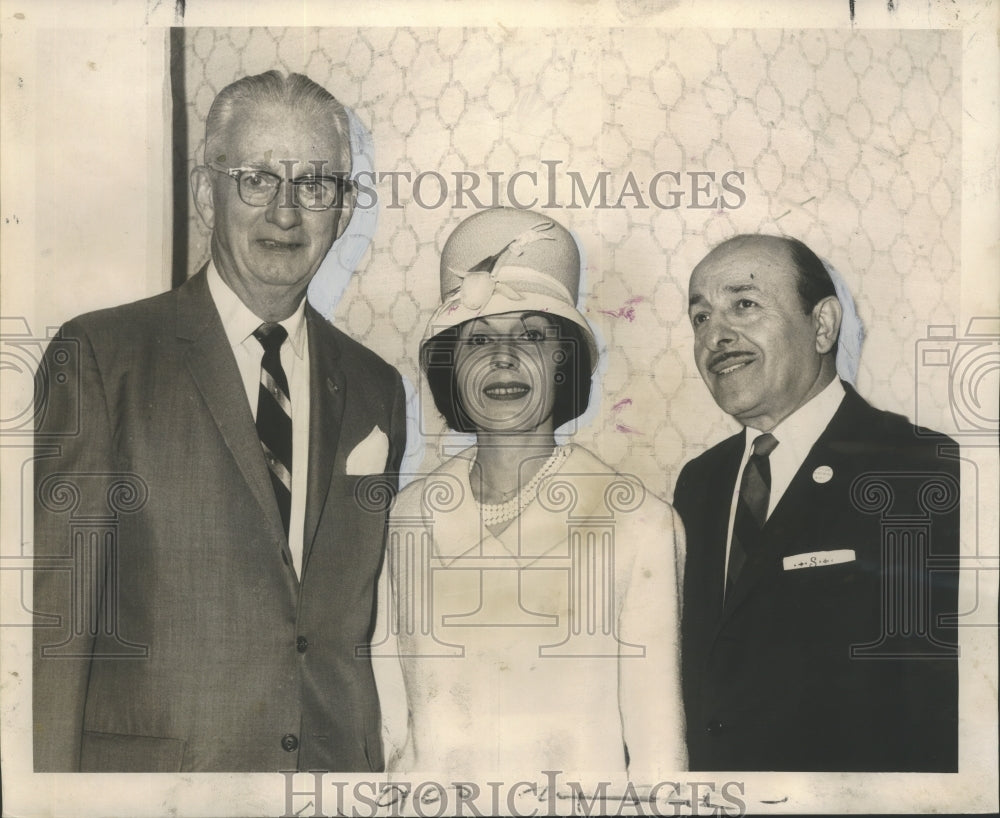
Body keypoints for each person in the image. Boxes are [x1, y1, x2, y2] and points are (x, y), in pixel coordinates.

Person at [32, 71, 406, 772]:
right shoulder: (102, 359)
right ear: (209, 193)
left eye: (316, 183)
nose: (286, 213)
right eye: (258, 178)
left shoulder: (375, 387)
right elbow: (51, 628)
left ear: (345, 208)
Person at [374, 207, 686, 785]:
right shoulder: (407, 516)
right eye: (478, 340)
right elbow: (392, 725)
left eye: (533, 335)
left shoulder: (639, 521)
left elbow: (657, 751)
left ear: (563, 359)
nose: (504, 358)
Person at [675, 233, 959, 772]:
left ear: (822, 325)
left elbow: (939, 704)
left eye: (744, 304)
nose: (717, 336)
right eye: (700, 318)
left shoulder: (920, 469)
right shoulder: (699, 482)